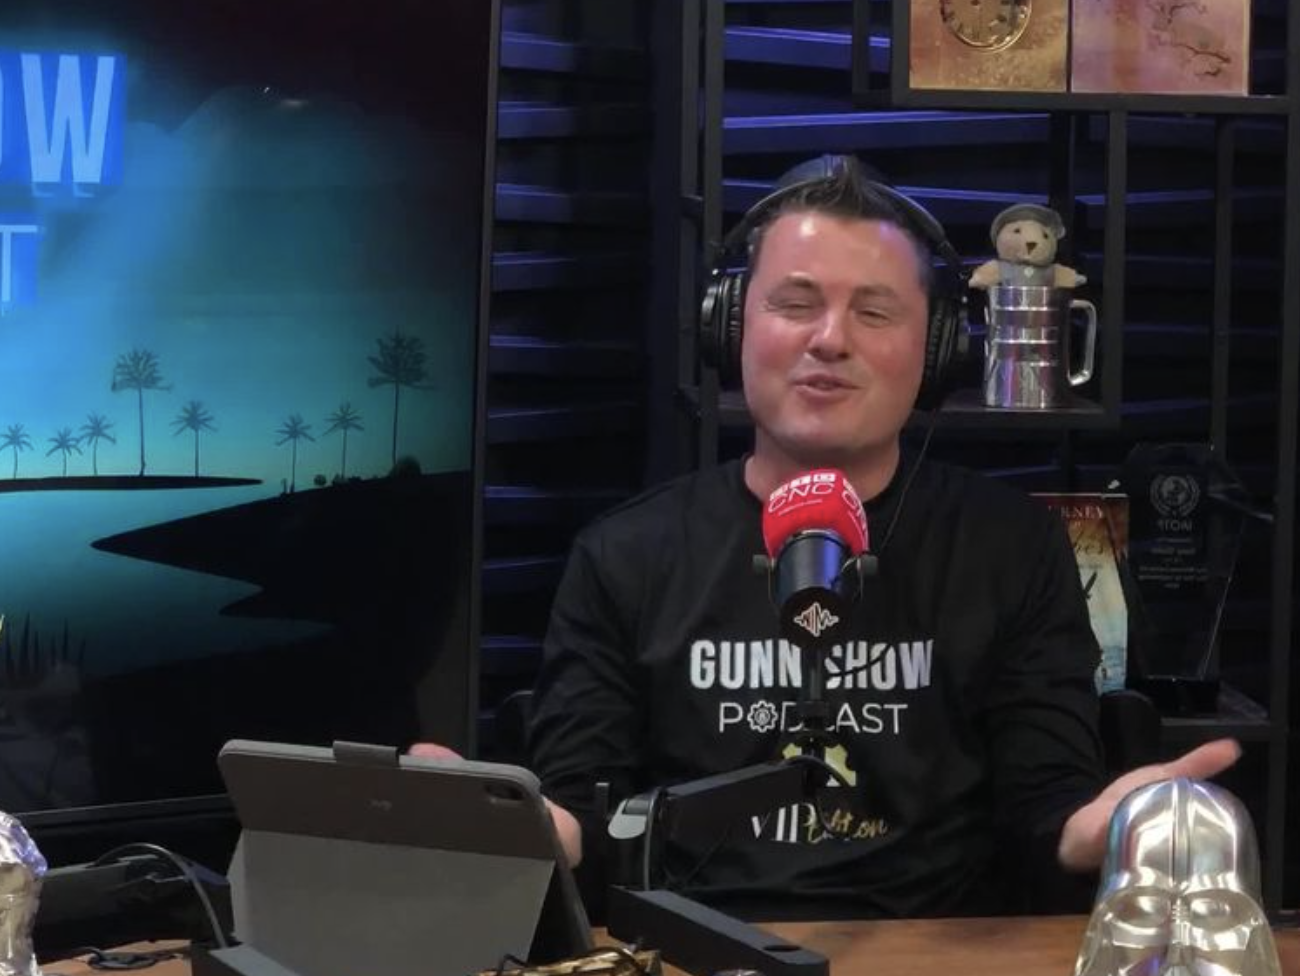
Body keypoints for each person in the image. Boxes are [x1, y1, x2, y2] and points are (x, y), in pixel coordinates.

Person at [419, 155, 1238, 920]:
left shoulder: (1012, 547)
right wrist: (523, 827)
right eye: (795, 303)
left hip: (933, 954)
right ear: (730, 328)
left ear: (939, 349)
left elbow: (1045, 814)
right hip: (691, 949)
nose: (830, 340)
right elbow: (588, 825)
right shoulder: (624, 555)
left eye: (874, 312)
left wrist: (1101, 829)